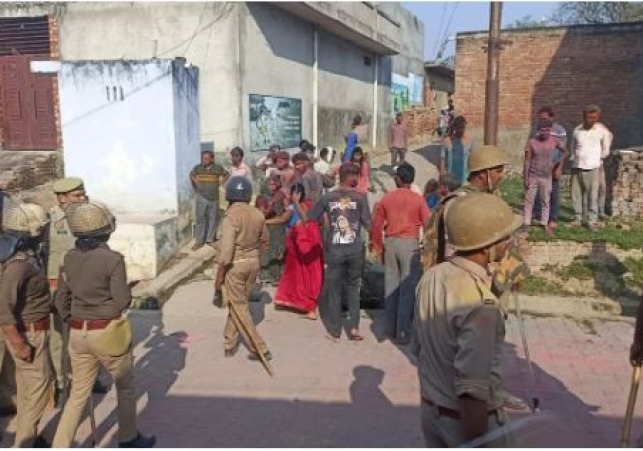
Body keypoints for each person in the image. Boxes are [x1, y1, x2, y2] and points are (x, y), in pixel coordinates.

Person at [414, 192, 521, 447]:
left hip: (432, 412)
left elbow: (420, 348)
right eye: (504, 237)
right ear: (487, 246)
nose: (509, 243)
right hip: (466, 422)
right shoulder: (481, 306)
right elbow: (471, 390)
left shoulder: (432, 277)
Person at [52, 200, 155, 448]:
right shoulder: (112, 259)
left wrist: (73, 318)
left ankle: (60, 444)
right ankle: (128, 438)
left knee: (77, 394)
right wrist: (127, 292)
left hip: (78, 331)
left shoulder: (69, 257)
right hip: (106, 331)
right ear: (105, 230)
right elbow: (121, 301)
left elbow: (60, 299)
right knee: (125, 387)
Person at [47, 177, 108, 405]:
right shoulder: (48, 221)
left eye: (83, 194)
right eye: (76, 196)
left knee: (89, 335)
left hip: (86, 287)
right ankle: (61, 382)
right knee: (59, 339)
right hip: (57, 288)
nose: (81, 199)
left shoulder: (90, 216)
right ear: (61, 198)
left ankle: (91, 378)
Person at [0, 202, 51, 447]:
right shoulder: (18, 266)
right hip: (28, 334)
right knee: (39, 390)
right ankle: (24, 442)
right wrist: (19, 343)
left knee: (25, 389)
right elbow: (3, 308)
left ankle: (28, 435)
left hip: (33, 329)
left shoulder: (29, 257)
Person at [308, 162, 372, 341]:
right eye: (357, 176)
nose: (358, 180)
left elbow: (311, 218)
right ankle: (354, 329)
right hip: (355, 250)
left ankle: (335, 331)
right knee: (353, 288)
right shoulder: (360, 198)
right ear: (351, 177)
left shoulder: (328, 198)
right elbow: (368, 223)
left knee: (334, 290)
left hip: (334, 251)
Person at [371, 163, 430, 345]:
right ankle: (403, 332)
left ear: (398, 179)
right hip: (410, 244)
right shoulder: (418, 199)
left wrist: (378, 247)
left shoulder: (387, 198)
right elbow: (428, 223)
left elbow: (377, 225)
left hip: (391, 243)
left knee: (391, 286)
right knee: (407, 289)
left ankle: (389, 329)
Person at [215, 176, 272, 362]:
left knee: (239, 306)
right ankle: (229, 342)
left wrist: (219, 278)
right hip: (253, 264)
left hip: (235, 265)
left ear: (229, 195)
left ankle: (260, 348)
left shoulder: (230, 217)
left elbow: (225, 254)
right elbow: (265, 241)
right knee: (238, 304)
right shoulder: (258, 214)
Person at [274, 183, 324, 319]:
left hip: (304, 244)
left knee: (304, 276)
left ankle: (309, 307)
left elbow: (304, 219)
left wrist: (295, 202)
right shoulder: (308, 205)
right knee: (298, 274)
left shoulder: (300, 206)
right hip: (303, 244)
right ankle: (291, 302)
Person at [570, 104, 613, 232]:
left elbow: (606, 149)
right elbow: (573, 146)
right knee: (576, 194)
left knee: (592, 195)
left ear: (598, 117)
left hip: (593, 167)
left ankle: (592, 220)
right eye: (589, 117)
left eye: (594, 117)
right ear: (584, 116)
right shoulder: (577, 130)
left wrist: (597, 159)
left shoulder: (602, 130)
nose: (591, 120)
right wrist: (574, 158)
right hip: (577, 166)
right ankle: (578, 218)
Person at [523, 118, 566, 234]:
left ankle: (544, 224)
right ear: (538, 130)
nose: (545, 133)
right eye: (542, 130)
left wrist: (556, 163)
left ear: (550, 130)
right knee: (529, 200)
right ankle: (526, 224)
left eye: (547, 130)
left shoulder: (555, 141)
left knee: (545, 201)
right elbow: (527, 160)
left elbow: (565, 151)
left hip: (547, 176)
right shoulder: (532, 142)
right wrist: (525, 177)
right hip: (533, 175)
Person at [532, 106, 568, 230]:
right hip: (539, 167)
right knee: (538, 191)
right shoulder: (538, 130)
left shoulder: (560, 131)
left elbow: (563, 152)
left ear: (552, 117)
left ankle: (553, 218)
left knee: (554, 192)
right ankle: (539, 215)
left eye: (545, 118)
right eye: (540, 118)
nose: (542, 121)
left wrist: (559, 167)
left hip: (553, 166)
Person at [190, 150, 228, 251]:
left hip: (214, 197)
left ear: (212, 159)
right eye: (203, 158)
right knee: (200, 219)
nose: (204, 160)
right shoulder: (198, 168)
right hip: (201, 197)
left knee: (213, 218)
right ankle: (199, 241)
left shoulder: (217, 168)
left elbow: (226, 174)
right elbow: (191, 174)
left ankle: (210, 239)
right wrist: (196, 183)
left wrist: (220, 182)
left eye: (206, 158)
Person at [256, 174, 289, 286]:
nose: (273, 186)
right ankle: (265, 275)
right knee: (266, 250)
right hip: (267, 228)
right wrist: (272, 202)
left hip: (279, 227)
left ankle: (277, 276)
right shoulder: (262, 198)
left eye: (275, 183)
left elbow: (287, 209)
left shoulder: (280, 195)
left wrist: (282, 217)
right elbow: (262, 214)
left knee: (279, 251)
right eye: (270, 184)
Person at [440, 115, 473, 186]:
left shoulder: (469, 141)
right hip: (450, 177)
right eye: (459, 128)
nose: (461, 130)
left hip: (465, 178)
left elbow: (472, 159)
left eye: (463, 128)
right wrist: (442, 176)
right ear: (454, 127)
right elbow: (442, 159)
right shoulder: (447, 141)